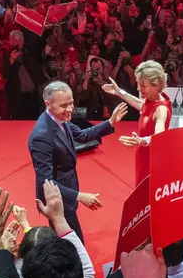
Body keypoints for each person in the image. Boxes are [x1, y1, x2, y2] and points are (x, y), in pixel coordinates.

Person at [28, 81, 128, 242]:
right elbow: (45, 183)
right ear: (48, 104)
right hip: (57, 203)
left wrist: (110, 122)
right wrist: (79, 196)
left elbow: (82, 135)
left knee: (68, 245)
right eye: (64, 105)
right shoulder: (41, 136)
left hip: (66, 194)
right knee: (75, 246)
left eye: (71, 103)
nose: (70, 109)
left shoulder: (59, 119)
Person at [104, 60, 172, 186]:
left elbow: (159, 137)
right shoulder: (152, 99)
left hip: (152, 161)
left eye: (143, 86)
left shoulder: (161, 109)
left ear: (156, 85)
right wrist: (120, 92)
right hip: (143, 156)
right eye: (138, 84)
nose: (138, 89)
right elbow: (142, 106)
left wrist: (141, 141)